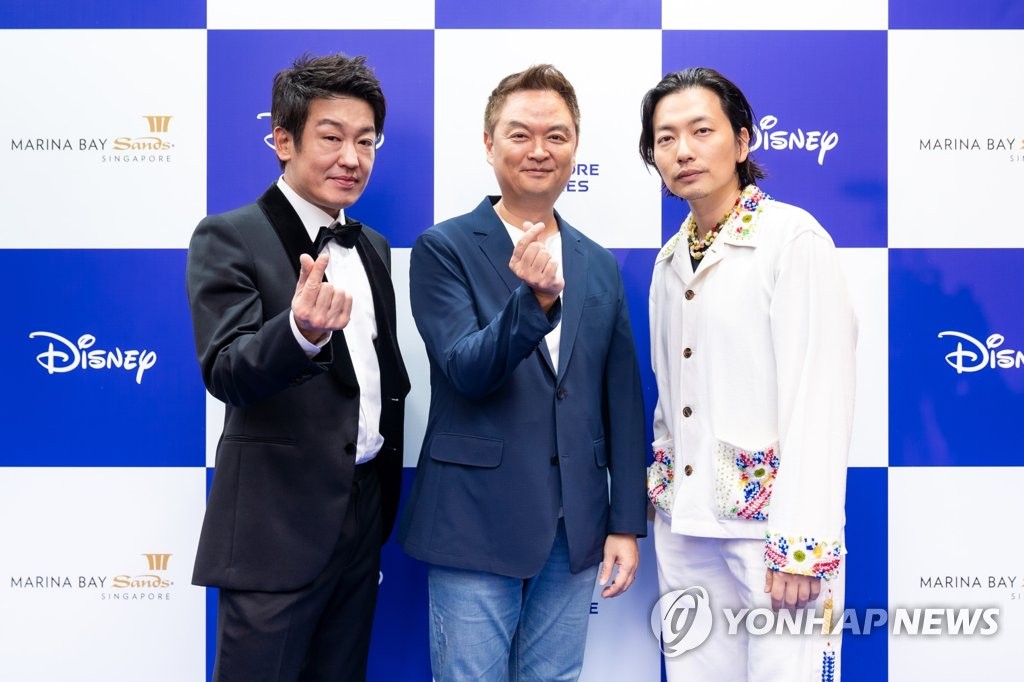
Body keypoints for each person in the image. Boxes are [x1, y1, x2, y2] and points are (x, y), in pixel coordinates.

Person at [398, 64, 647, 681]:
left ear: (575, 148)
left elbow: (621, 400)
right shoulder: (444, 248)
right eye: (520, 134)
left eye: (557, 136)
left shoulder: (598, 261)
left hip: (576, 526)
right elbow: (465, 370)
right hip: (474, 519)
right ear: (489, 145)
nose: (540, 150)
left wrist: (624, 522)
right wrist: (531, 305)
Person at [186, 53, 409, 682]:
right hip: (275, 528)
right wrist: (300, 332)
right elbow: (226, 369)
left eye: (366, 141)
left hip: (363, 514)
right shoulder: (228, 236)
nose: (352, 158)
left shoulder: (373, 247)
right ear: (283, 141)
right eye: (331, 138)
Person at [641, 67, 857, 681]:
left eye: (701, 130)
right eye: (664, 138)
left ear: (741, 142)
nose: (682, 150)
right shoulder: (670, 259)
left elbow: (821, 396)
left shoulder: (792, 239)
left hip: (772, 538)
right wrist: (664, 490)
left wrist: (802, 545)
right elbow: (670, 397)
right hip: (687, 526)